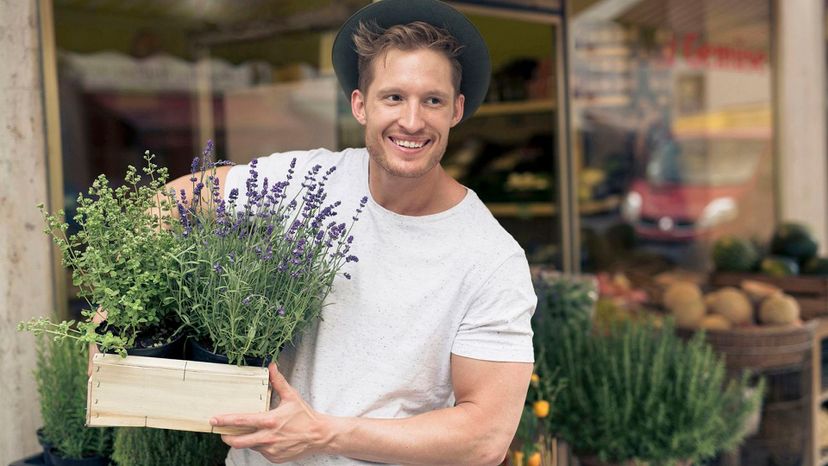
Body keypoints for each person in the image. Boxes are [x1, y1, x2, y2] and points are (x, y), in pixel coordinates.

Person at [162, 1, 534, 464]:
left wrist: (323, 434)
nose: (413, 121)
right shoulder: (304, 182)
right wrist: (118, 293)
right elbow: (178, 199)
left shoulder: (491, 257)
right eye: (393, 97)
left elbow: (485, 437)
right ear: (360, 104)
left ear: (456, 110)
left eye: (432, 100)